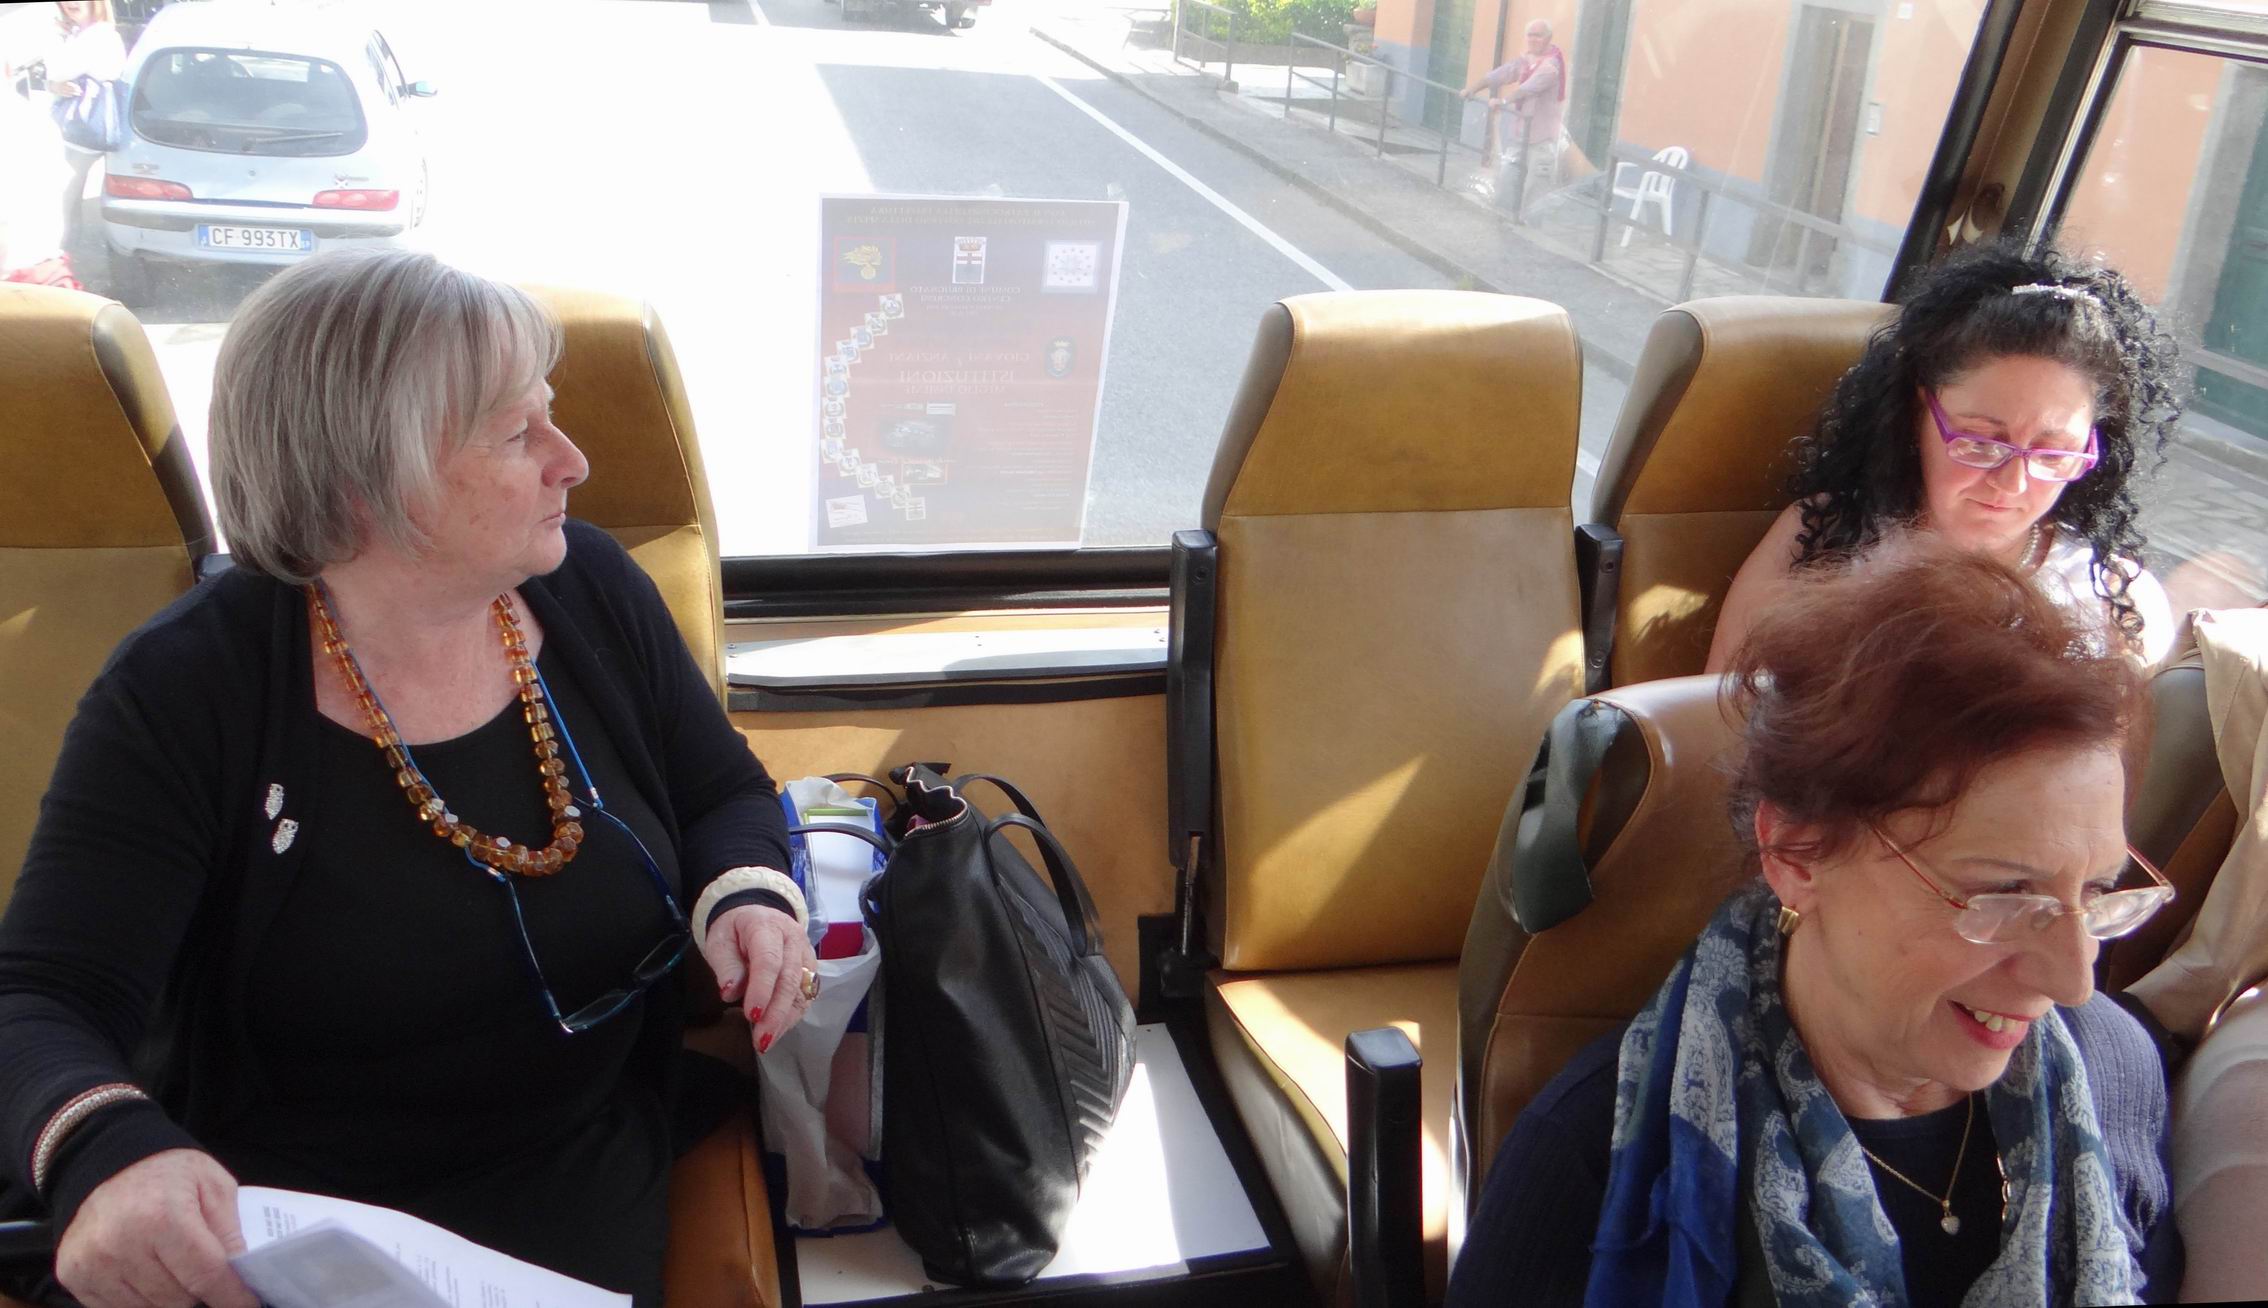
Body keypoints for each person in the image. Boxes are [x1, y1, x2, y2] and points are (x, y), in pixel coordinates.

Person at [0, 249, 821, 1308]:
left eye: (552, 415)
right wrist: (107, 1151)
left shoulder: (591, 590)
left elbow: (723, 793)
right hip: (281, 1222)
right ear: (368, 485)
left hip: (572, 1175)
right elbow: (41, 996)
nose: (572, 461)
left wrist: (747, 893)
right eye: (518, 434)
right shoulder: (187, 690)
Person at [1450, 543, 2184, 1306]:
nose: (2071, 981)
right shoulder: (1594, 1158)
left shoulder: (2114, 1070)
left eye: (2096, 891)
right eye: (2005, 897)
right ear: (1797, 852)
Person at [1707, 241, 2184, 673]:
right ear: (1918, 413)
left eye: (2053, 453)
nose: (2013, 483)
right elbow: (1710, 716)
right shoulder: (1824, 539)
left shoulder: (2117, 601)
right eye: (1981, 443)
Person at [39, 1, 122, 252]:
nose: (70, 4)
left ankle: (61, 253)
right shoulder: (85, 34)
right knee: (68, 197)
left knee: (64, 197)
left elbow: (57, 70)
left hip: (83, 130)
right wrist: (52, 85)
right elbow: (57, 79)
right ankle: (65, 252)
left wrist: (54, 37)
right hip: (83, 128)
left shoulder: (97, 36)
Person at [1462, 20, 1566, 209]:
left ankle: (1528, 225)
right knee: (1505, 182)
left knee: (1535, 192)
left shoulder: (1551, 66)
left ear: (1548, 38)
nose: (1533, 39)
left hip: (1543, 141)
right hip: (1521, 136)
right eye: (1530, 35)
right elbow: (1501, 74)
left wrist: (1503, 101)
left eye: (1538, 35)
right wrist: (1472, 89)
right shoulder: (1526, 61)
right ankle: (1501, 220)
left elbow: (1529, 88)